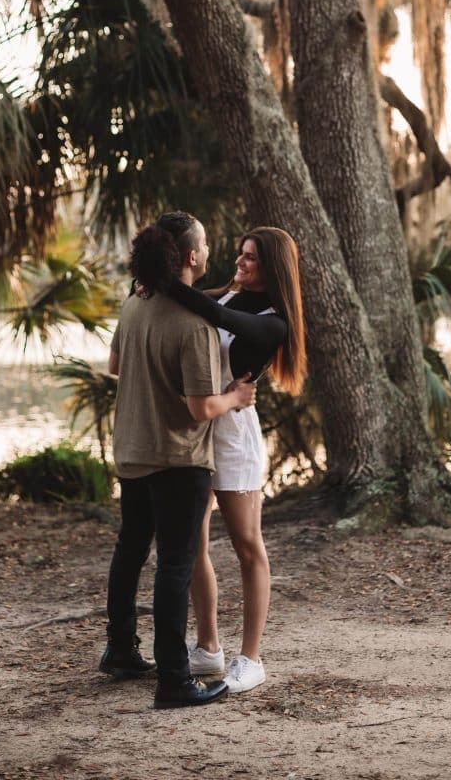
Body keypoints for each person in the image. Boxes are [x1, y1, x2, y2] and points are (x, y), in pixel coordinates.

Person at [99, 211, 257, 710]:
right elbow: (200, 408)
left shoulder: (134, 304)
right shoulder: (194, 326)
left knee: (130, 551)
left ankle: (120, 650)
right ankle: (174, 680)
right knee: (175, 564)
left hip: (131, 451)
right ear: (190, 257)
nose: (212, 251)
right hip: (179, 458)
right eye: (206, 244)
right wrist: (235, 397)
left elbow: (115, 367)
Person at [167, 226, 307, 694]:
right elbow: (192, 304)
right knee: (193, 542)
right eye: (240, 255)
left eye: (251, 259)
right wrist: (153, 284)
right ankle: (208, 649)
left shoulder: (273, 321)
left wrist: (169, 281)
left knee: (248, 546)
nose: (240, 263)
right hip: (198, 426)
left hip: (232, 438)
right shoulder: (226, 296)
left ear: (273, 270)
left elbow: (206, 312)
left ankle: (251, 659)